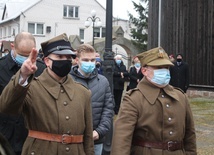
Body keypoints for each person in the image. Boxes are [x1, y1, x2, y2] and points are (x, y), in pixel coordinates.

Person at [0, 33, 94, 155]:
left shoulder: (83, 93)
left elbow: (88, 138)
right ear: (47, 61)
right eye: (60, 57)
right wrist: (23, 76)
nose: (65, 61)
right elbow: (6, 107)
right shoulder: (31, 88)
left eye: (68, 57)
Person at [110, 47, 197, 155]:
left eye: (166, 67)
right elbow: (122, 138)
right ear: (144, 71)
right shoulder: (134, 98)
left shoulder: (180, 96)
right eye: (159, 67)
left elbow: (190, 137)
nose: (164, 71)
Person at [0, 32, 46, 155]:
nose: (26, 60)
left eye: (29, 55)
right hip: (5, 134)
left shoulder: (42, 70)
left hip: (31, 135)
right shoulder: (1, 66)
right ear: (12, 46)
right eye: (21, 55)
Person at [70, 44, 114, 155]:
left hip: (96, 139)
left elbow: (108, 109)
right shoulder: (67, 80)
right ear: (77, 60)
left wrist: (99, 131)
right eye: (85, 60)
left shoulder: (103, 81)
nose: (89, 63)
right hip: (73, 139)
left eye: (92, 60)